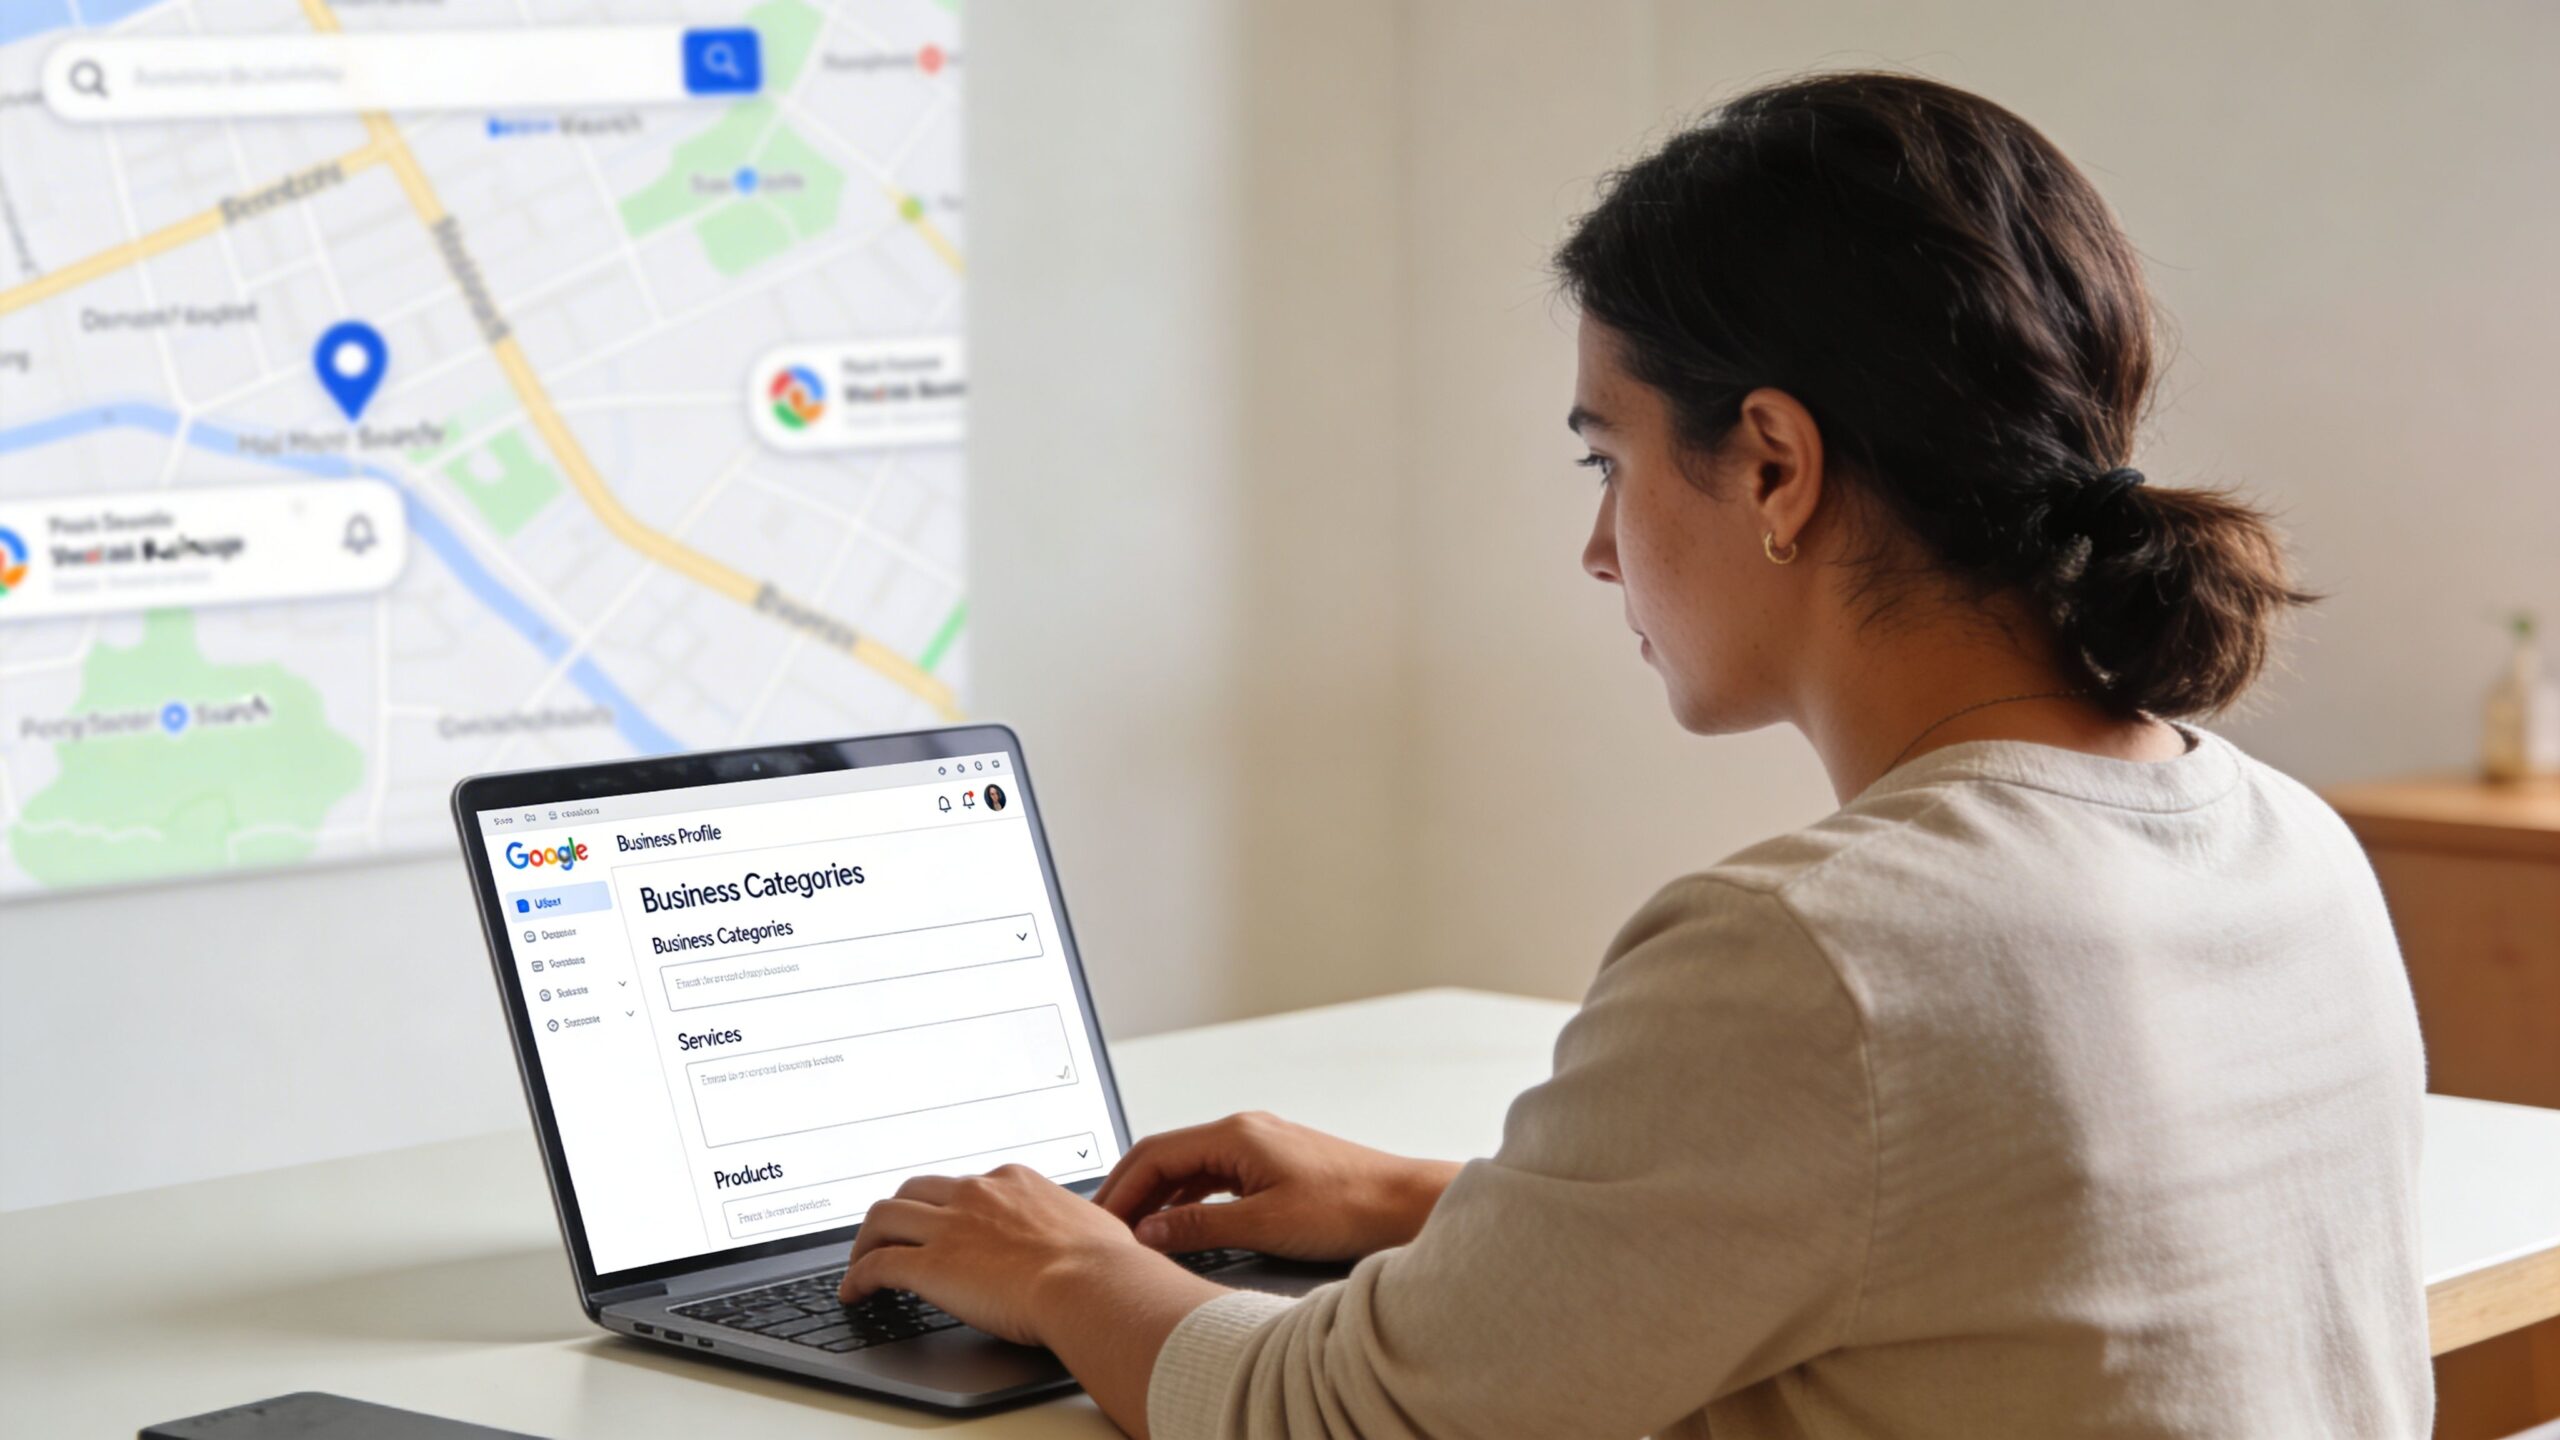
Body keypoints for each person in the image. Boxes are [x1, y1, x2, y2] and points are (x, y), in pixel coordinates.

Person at [836, 71, 2431, 1438]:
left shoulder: (1819, 955)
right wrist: (1426, 1201)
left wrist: (1058, 1263)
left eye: (1609, 458)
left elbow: (1326, 1415)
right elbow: (1958, 1238)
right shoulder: (2285, 843)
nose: (1601, 549)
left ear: (1776, 467)